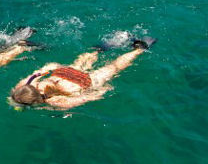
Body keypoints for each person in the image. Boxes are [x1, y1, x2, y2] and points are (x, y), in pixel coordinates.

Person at [9, 37, 156, 110]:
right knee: (83, 61)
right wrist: (53, 67)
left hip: (84, 82)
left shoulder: (56, 102)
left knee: (114, 67)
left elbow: (87, 98)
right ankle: (99, 50)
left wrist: (102, 90)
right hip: (62, 73)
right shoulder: (27, 85)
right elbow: (38, 72)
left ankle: (139, 49)